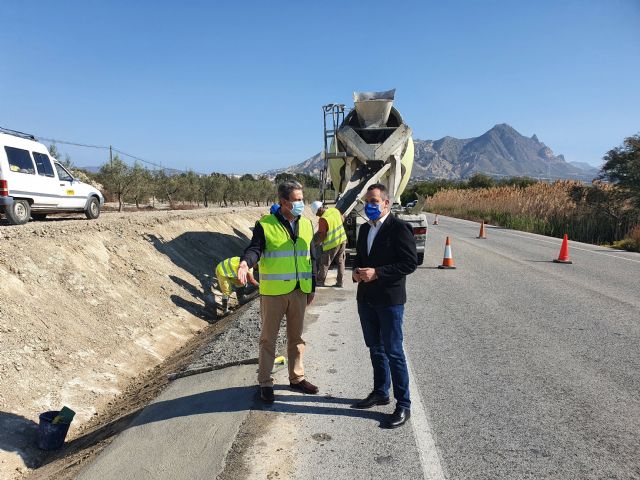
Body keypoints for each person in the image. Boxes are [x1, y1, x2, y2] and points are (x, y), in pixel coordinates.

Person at [237, 180, 319, 403]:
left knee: (297, 337)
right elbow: (255, 249)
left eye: (303, 199)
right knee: (268, 339)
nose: (302, 203)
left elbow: (311, 257)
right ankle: (265, 382)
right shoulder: (265, 224)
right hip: (274, 293)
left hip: (299, 290)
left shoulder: (306, 224)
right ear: (284, 202)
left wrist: (312, 286)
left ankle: (297, 377)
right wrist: (246, 263)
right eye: (298, 200)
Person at [351, 183, 418, 429]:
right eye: (367, 201)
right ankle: (380, 392)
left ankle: (404, 405)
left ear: (386, 203)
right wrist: (356, 273)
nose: (369, 205)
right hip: (366, 299)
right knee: (375, 348)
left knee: (394, 352)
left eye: (374, 201)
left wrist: (378, 273)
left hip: (389, 301)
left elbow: (409, 263)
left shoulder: (399, 228)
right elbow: (358, 259)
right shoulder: (363, 230)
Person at [311, 200, 347, 287]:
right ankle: (340, 282)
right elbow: (342, 219)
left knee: (325, 263)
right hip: (342, 240)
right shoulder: (335, 210)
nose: (317, 215)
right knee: (340, 262)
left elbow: (323, 235)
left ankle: (320, 282)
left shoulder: (323, 219)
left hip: (332, 244)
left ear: (320, 209)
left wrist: (317, 243)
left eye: (316, 213)